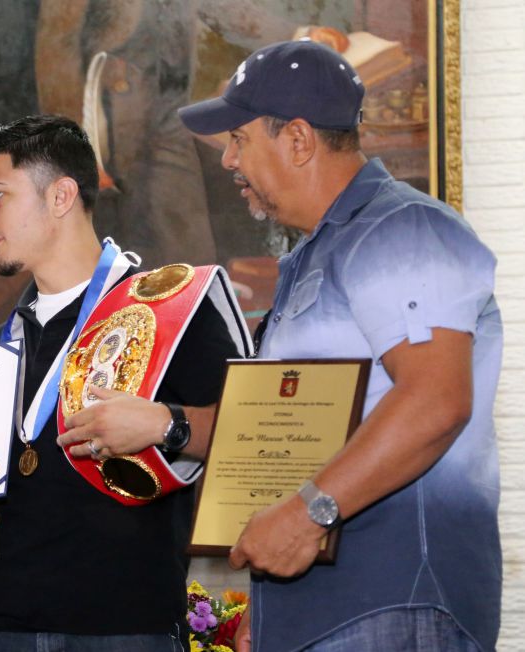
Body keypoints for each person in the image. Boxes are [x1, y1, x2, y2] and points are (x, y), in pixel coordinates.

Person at [0, 114, 248, 650]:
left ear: (61, 196)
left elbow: (252, 438)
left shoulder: (170, 309)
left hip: (126, 628)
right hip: (6, 627)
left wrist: (165, 423)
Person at [178, 40, 502, 651]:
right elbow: (280, 430)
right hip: (323, 608)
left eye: (238, 139)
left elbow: (436, 399)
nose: (227, 160)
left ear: (297, 140)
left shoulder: (400, 228)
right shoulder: (314, 254)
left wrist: (306, 515)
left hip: (394, 600)